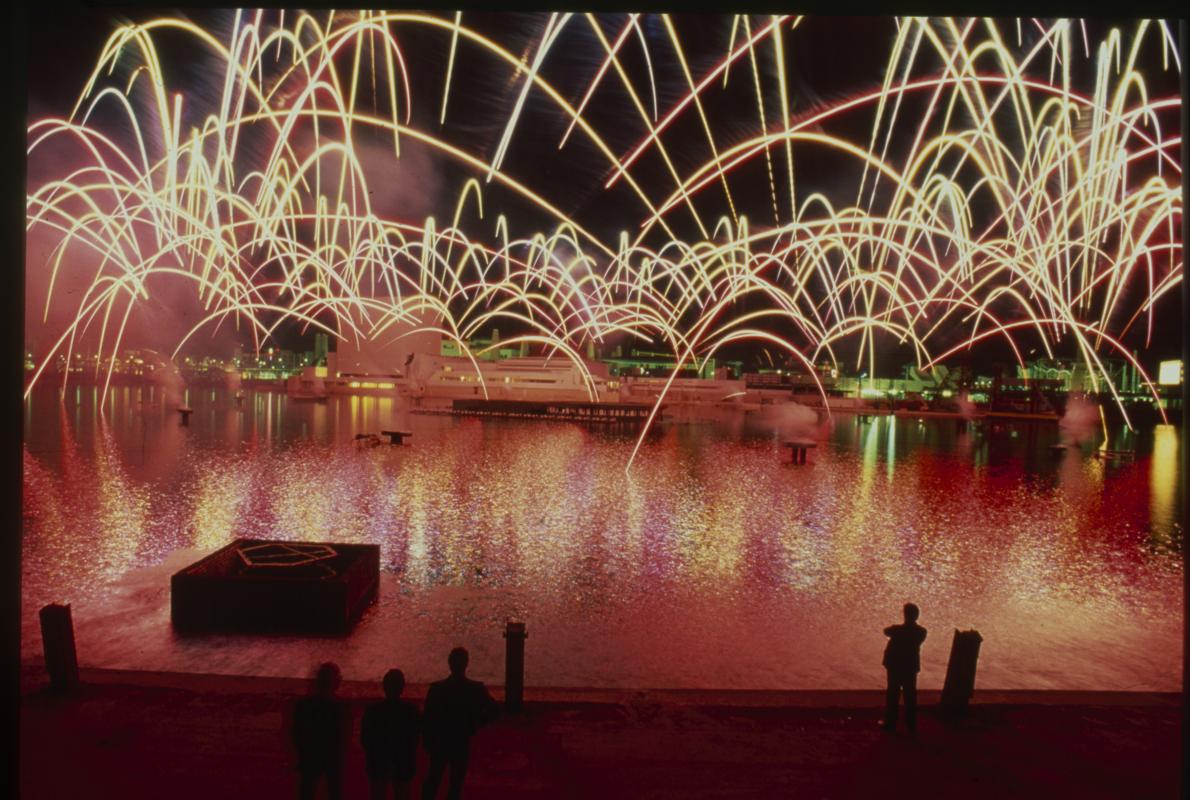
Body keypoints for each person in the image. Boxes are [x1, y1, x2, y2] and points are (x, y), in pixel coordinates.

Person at [420, 647, 499, 800]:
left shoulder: (437, 689)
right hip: (461, 740)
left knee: (433, 780)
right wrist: (477, 724)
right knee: (455, 785)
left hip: (440, 741)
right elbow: (494, 710)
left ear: (450, 663)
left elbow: (427, 718)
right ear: (466, 664)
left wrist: (427, 739)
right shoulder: (475, 689)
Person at [292, 662, 350, 800]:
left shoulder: (303, 705)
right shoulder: (340, 707)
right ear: (335, 682)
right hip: (332, 758)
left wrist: (300, 755)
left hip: (310, 755)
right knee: (333, 792)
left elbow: (297, 733)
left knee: (307, 791)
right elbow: (343, 737)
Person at [361, 669, 421, 800]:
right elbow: (415, 738)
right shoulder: (411, 711)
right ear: (402, 687)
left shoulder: (373, 711)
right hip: (403, 763)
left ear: (384, 686)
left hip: (378, 763)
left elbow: (365, 739)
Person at [882, 603, 927, 734]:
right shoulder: (921, 632)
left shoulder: (897, 630)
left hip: (895, 666)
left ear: (906, 615)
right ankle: (911, 725)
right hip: (910, 666)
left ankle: (891, 724)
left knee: (893, 695)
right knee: (910, 696)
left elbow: (886, 631)